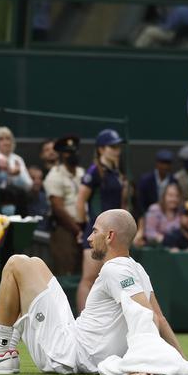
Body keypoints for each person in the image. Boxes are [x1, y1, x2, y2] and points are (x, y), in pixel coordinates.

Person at [0, 209, 188, 375]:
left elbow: (144, 317)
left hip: (67, 354)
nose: (89, 238)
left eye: (95, 231)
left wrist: (148, 360)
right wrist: (181, 360)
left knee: (15, 263)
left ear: (110, 236)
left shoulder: (115, 269)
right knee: (33, 263)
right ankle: (7, 351)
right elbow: (159, 318)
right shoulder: (137, 269)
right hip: (72, 337)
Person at [76, 129, 127, 313]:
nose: (116, 150)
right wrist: (83, 227)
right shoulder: (93, 171)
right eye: (112, 146)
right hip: (97, 231)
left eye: (117, 147)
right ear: (101, 149)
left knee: (110, 278)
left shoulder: (116, 172)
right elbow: (80, 201)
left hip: (113, 233)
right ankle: (82, 322)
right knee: (89, 278)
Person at [43, 135, 85, 276]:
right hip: (65, 229)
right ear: (61, 155)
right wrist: (77, 230)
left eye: (75, 151)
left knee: (84, 271)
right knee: (66, 270)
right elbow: (58, 207)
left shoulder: (82, 173)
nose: (72, 154)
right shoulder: (55, 175)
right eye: (68, 152)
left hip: (85, 226)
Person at [0, 126, 32, 216]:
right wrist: (5, 172)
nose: (6, 142)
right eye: (1, 139)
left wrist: (17, 175)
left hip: (17, 203)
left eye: (8, 139)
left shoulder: (17, 159)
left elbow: (28, 184)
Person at [136, 149, 176, 217]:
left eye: (167, 163)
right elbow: (140, 203)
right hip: (148, 216)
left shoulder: (174, 181)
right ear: (157, 163)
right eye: (162, 163)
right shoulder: (146, 180)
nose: (165, 166)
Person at [25, 165, 50, 231]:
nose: (37, 182)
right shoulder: (20, 199)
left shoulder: (46, 198)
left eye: (40, 178)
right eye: (33, 178)